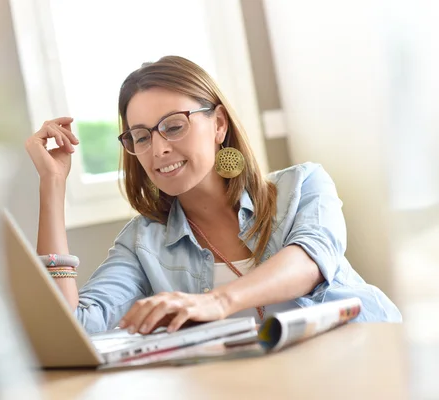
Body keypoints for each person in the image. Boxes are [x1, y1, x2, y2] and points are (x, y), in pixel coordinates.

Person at [25, 55, 401, 335]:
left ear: (218, 124)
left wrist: (216, 301)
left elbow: (310, 262)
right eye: (141, 137)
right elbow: (72, 328)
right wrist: (52, 185)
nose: (158, 150)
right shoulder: (143, 244)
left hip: (369, 360)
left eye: (173, 126)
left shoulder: (302, 186)